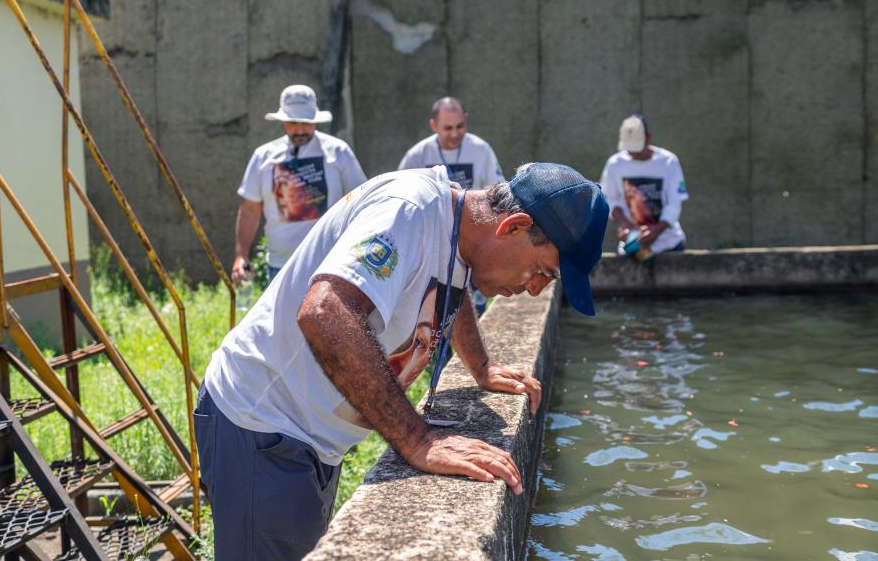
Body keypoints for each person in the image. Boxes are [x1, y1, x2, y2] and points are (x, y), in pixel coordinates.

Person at [195, 162, 609, 559]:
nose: (536, 290)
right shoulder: (407, 211)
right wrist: (418, 439)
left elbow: (451, 282)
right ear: (513, 227)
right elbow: (325, 313)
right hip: (261, 424)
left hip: (309, 436)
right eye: (542, 271)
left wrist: (480, 366)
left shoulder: (457, 235)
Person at [231, 84, 367, 286]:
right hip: (280, 267)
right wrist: (241, 255)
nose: (300, 129)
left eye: (307, 122)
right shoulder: (264, 157)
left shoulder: (338, 152)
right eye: (293, 123)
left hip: (330, 264)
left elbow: (362, 201)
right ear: (283, 121)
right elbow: (250, 209)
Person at [398, 96, 505, 312]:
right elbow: (401, 198)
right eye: (447, 128)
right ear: (433, 125)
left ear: (466, 119)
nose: (455, 134)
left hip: (470, 244)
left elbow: (498, 195)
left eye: (460, 126)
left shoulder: (481, 150)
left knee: (472, 311)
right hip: (431, 246)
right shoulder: (417, 155)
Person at [600, 114, 688, 257]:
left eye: (636, 147)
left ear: (648, 137)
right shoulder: (615, 164)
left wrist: (657, 230)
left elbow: (674, 203)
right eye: (629, 148)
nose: (633, 153)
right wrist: (624, 224)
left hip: (669, 245)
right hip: (633, 248)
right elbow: (609, 199)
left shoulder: (668, 162)